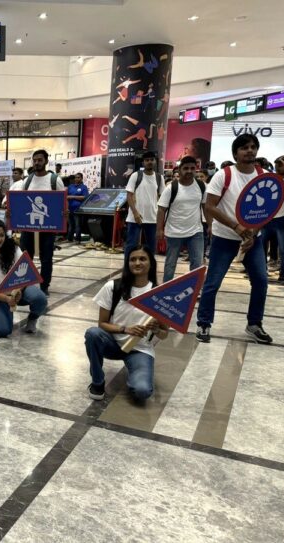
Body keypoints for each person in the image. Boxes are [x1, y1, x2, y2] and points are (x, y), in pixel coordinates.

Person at [196, 134, 273, 345]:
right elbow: (210, 206)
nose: (250, 151)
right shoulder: (224, 175)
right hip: (225, 238)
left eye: (253, 147)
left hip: (252, 240)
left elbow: (268, 210)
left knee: (261, 280)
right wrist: (237, 228)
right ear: (235, 152)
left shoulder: (264, 176)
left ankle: (254, 324)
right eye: (245, 147)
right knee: (213, 283)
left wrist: (253, 233)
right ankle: (204, 322)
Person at [85, 245, 168, 402]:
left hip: (140, 349)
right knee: (92, 334)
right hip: (113, 343)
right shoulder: (113, 287)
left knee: (142, 391)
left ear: (151, 263)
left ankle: (136, 371)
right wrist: (125, 329)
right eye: (132, 259)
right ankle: (97, 382)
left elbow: (165, 334)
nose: (137, 263)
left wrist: (157, 329)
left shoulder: (159, 293)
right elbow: (102, 323)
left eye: (142, 259)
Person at [0, 219, 48, 337]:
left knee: (40, 299)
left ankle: (33, 318)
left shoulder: (14, 249)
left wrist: (18, 290)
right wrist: (6, 299)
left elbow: (25, 274)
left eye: (2, 235)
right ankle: (5, 312)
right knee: (3, 331)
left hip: (20, 290)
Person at [10, 149, 65, 296]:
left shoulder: (54, 180)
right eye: (35, 160)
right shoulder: (27, 180)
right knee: (25, 256)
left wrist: (63, 216)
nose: (37, 163)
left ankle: (44, 285)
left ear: (46, 161)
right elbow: (21, 201)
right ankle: (24, 284)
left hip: (48, 227)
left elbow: (61, 202)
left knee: (46, 258)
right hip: (28, 227)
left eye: (40, 160)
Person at [156, 156, 206, 282]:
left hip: (196, 231)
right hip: (174, 232)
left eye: (192, 168)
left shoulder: (201, 186)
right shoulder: (171, 188)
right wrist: (159, 230)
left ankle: (195, 290)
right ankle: (165, 288)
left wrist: (210, 225)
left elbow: (205, 206)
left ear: (196, 169)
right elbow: (161, 209)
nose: (189, 171)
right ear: (179, 169)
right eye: (186, 168)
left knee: (197, 264)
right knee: (170, 264)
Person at [125, 151, 164, 257]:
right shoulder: (135, 175)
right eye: (147, 160)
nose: (149, 162)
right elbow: (129, 195)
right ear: (143, 162)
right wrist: (135, 213)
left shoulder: (159, 178)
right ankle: (128, 271)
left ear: (155, 161)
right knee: (131, 246)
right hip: (135, 218)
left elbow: (162, 199)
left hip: (152, 218)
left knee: (151, 248)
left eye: (152, 160)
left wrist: (161, 219)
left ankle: (149, 271)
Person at [266, 155, 284, 284]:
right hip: (268, 218)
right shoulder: (274, 178)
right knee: (260, 246)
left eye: (280, 165)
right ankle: (260, 272)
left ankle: (283, 275)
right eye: (276, 166)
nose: (276, 168)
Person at [67, 172, 89, 243]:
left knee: (77, 225)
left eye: (78, 177)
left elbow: (85, 197)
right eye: (76, 177)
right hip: (70, 209)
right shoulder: (70, 186)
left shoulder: (83, 187)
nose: (76, 179)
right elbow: (66, 196)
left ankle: (77, 239)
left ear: (81, 178)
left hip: (78, 210)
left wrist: (72, 197)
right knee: (71, 225)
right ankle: (69, 239)